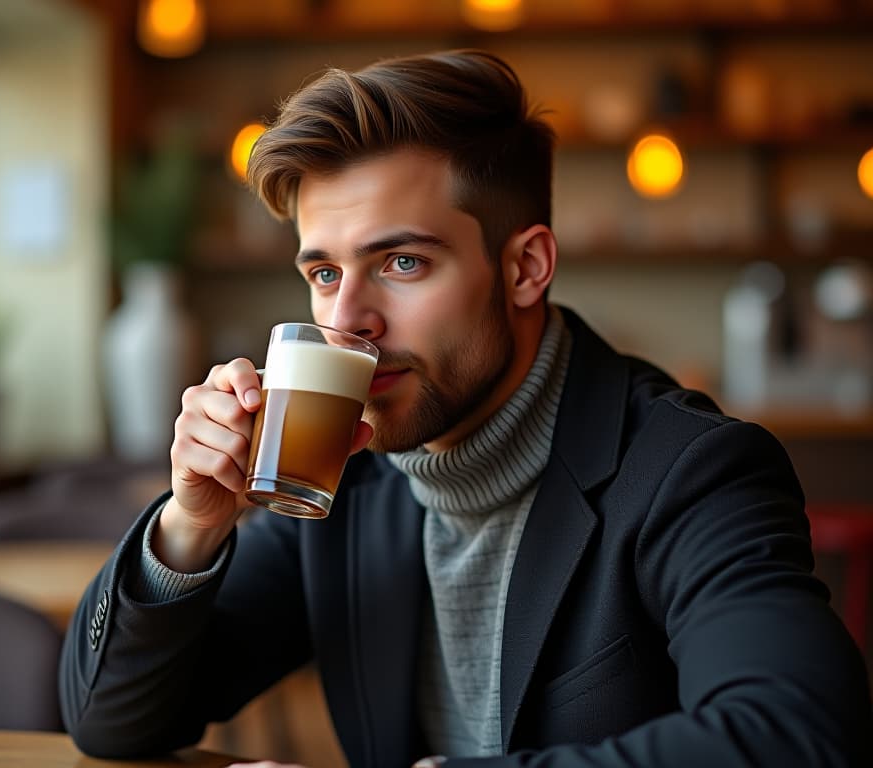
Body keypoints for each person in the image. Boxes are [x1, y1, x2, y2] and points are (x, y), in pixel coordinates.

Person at [59, 49, 871, 767]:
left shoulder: (686, 470)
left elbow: (797, 735)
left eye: (403, 261)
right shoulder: (339, 480)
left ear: (525, 268)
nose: (346, 323)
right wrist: (189, 528)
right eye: (324, 273)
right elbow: (111, 725)